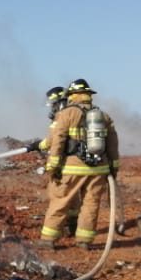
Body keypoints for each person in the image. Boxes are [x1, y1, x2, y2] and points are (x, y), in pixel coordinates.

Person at [37, 78, 120, 250]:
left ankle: (48, 240)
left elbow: (58, 141)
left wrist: (53, 166)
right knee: (91, 204)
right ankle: (84, 241)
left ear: (72, 95)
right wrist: (113, 167)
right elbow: (112, 145)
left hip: (72, 168)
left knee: (61, 201)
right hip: (99, 169)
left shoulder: (66, 114)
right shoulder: (103, 116)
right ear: (89, 95)